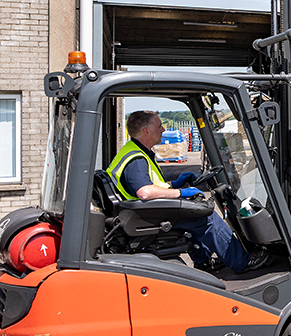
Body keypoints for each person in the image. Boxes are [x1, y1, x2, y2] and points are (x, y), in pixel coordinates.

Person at [107, 110, 267, 272]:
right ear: (146, 131)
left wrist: (175, 184)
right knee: (206, 215)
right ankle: (242, 261)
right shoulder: (136, 159)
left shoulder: (134, 151)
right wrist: (181, 193)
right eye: (160, 126)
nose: (163, 130)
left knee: (193, 211)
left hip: (146, 213)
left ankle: (203, 261)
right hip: (147, 216)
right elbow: (145, 192)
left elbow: (149, 186)